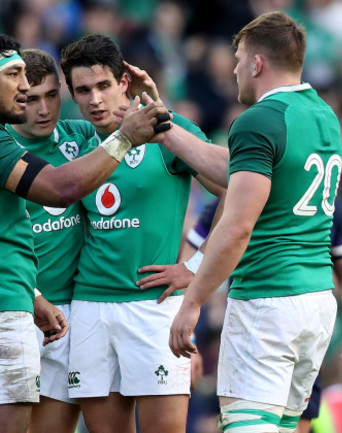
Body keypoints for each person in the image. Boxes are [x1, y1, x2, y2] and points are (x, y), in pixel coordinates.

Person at [0, 35, 170, 433]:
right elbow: (60, 189)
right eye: (15, 77)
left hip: (27, 309)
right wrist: (125, 138)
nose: (29, 96)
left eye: (48, 93)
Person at [160, 11, 342, 433]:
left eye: (239, 58)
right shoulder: (324, 116)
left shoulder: (258, 119)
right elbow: (242, 171)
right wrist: (167, 131)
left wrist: (192, 303)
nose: (235, 68)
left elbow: (238, 224)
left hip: (268, 301)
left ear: (258, 63)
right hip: (315, 301)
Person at [59, 34, 224, 433]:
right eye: (83, 90)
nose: (95, 99)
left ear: (124, 84)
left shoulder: (165, 129)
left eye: (103, 86)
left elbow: (237, 188)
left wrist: (196, 265)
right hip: (90, 308)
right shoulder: (74, 141)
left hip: (154, 306)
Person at [163, 197, 342, 432]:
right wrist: (189, 337)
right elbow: (188, 266)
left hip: (300, 336)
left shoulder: (321, 200)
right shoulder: (232, 195)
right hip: (251, 336)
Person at [5, 48, 95, 433]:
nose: (43, 109)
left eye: (51, 95)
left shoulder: (83, 135)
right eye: (31, 98)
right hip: (20, 311)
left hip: (75, 315)